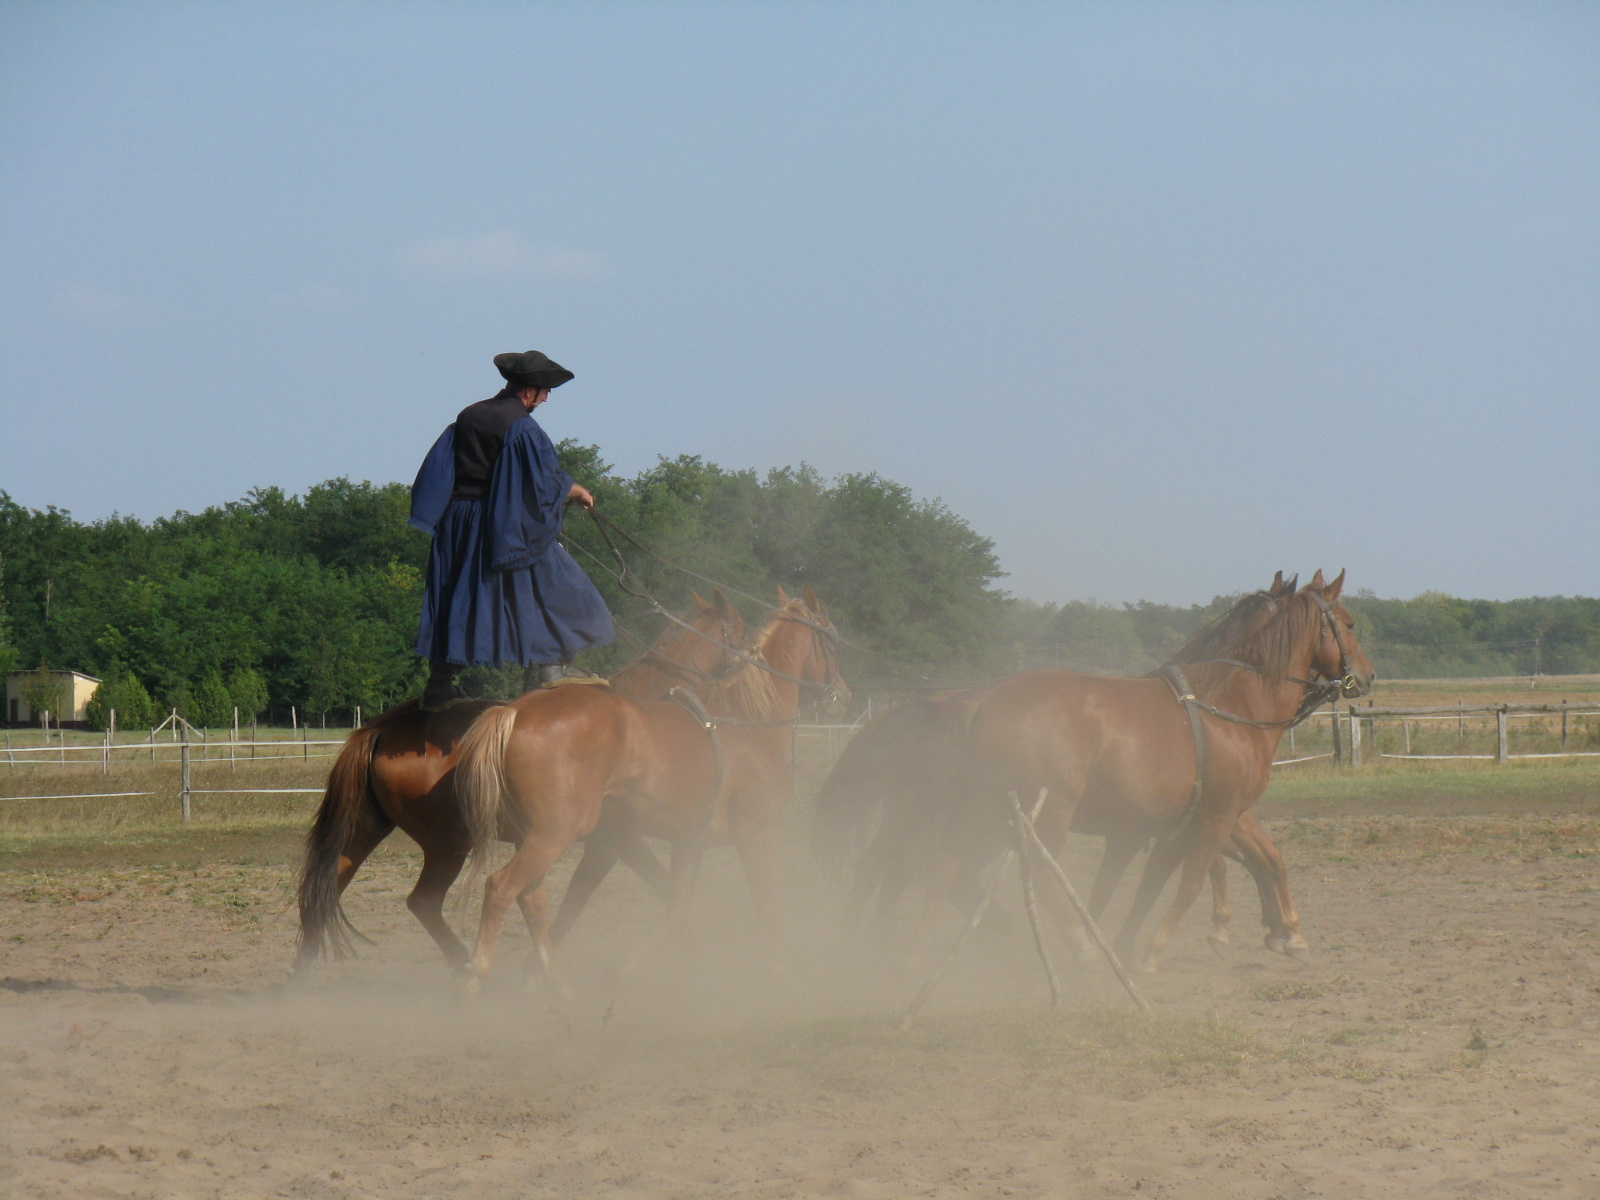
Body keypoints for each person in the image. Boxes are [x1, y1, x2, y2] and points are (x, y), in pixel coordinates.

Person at [408, 350, 615, 710]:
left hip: (458, 522)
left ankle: (439, 686)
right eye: (546, 390)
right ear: (529, 390)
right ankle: (553, 668)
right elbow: (542, 480)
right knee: (565, 586)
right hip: (502, 524)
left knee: (461, 599)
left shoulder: (469, 415)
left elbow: (443, 467)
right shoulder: (522, 426)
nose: (547, 398)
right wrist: (577, 490)